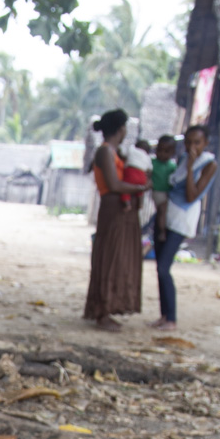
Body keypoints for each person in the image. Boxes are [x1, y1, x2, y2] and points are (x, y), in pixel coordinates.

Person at [82, 109, 147, 331]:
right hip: (112, 208)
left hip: (121, 211)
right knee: (109, 258)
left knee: (118, 259)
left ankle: (109, 308)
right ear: (121, 129)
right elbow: (115, 185)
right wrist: (142, 187)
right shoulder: (105, 152)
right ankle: (102, 311)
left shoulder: (116, 153)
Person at [150, 125, 217, 329]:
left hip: (182, 219)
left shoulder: (208, 164)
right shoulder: (181, 160)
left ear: (205, 143)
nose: (191, 146)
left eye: (196, 142)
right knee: (159, 268)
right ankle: (164, 315)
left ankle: (171, 318)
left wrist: (190, 168)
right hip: (167, 214)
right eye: (188, 142)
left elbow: (192, 195)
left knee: (164, 267)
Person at [150, 135, 178, 243]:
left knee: (165, 212)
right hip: (158, 192)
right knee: (162, 211)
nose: (162, 154)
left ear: (172, 152)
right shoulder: (152, 163)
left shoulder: (172, 166)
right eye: (160, 150)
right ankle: (162, 232)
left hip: (168, 193)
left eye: (166, 151)